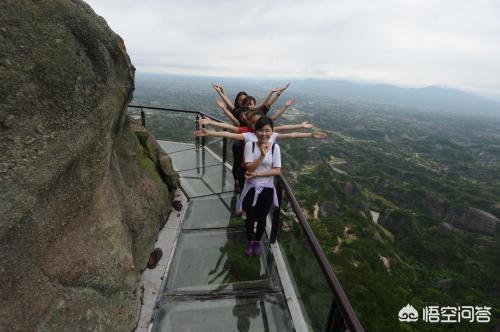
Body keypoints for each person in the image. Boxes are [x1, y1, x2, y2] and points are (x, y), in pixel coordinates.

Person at [237, 116, 281, 256]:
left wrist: (257, 175)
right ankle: (250, 241)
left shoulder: (275, 147)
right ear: (255, 132)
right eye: (260, 130)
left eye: (267, 130)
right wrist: (262, 156)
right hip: (251, 188)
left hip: (267, 188)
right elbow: (249, 168)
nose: (264, 134)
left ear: (272, 131)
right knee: (250, 216)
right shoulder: (250, 145)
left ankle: (257, 242)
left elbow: (277, 170)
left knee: (262, 217)